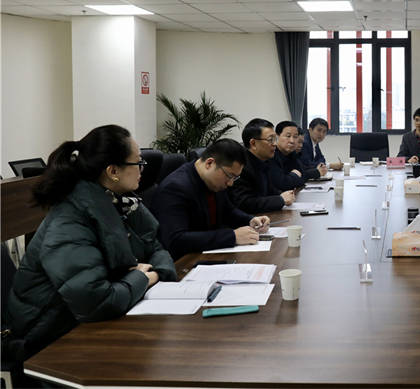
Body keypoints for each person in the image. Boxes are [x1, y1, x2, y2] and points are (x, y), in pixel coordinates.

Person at [8, 125, 176, 361]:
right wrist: (142, 278)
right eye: (138, 162)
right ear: (113, 171)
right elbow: (96, 302)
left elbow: (157, 248)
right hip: (47, 339)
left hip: (88, 323)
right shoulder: (69, 220)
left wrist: (152, 274)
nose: (142, 169)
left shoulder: (122, 202)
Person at [150, 138, 269, 260]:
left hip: (210, 253)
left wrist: (250, 220)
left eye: (235, 178)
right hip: (185, 262)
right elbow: (176, 240)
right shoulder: (175, 188)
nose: (230, 183)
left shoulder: (214, 181)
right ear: (209, 163)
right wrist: (232, 236)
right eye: (230, 176)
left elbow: (228, 210)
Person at [228, 118, 296, 214]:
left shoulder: (264, 161)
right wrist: (280, 199)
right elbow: (244, 203)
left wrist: (284, 194)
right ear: (253, 143)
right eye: (270, 140)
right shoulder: (241, 165)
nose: (275, 144)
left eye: (275, 139)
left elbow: (270, 190)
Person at [268, 121, 327, 191]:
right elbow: (282, 184)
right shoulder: (271, 154)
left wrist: (293, 178)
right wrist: (294, 176)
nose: (292, 141)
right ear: (277, 136)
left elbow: (303, 177)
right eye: (288, 136)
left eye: (295, 137)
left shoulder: (292, 154)